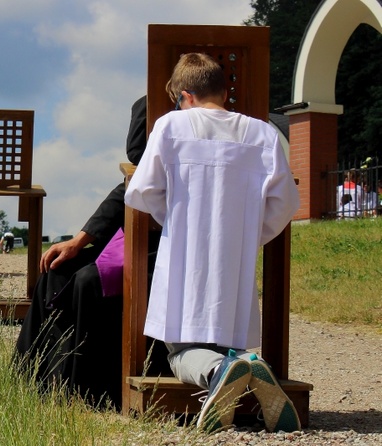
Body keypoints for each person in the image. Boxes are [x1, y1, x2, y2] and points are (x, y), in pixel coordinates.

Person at [124, 53, 301, 433]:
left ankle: (220, 372)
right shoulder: (263, 133)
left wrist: (172, 218)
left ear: (184, 94)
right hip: (234, 260)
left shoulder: (172, 126)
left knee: (179, 351)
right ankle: (246, 367)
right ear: (223, 92)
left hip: (184, 257)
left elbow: (140, 191)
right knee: (228, 335)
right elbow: (286, 203)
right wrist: (252, 233)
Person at [14, 95, 160, 410]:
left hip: (170, 245)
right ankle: (43, 381)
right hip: (138, 234)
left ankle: (88, 391)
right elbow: (134, 168)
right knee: (58, 270)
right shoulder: (153, 104)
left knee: (88, 281)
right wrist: (79, 241)